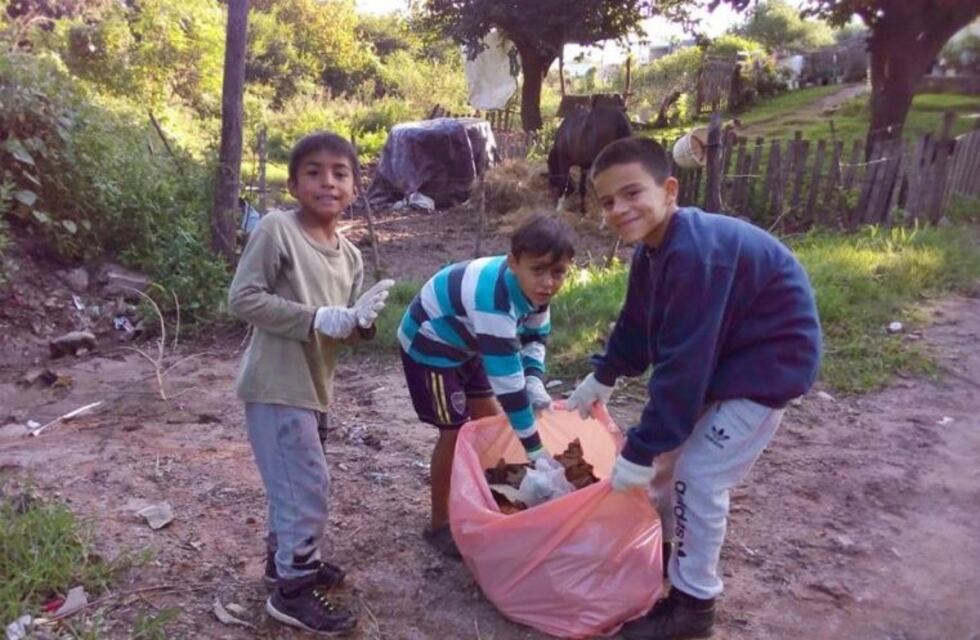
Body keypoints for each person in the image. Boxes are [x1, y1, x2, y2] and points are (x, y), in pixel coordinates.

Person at [565, 137, 821, 640]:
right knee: (663, 470)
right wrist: (606, 373)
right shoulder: (653, 250)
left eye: (632, 193)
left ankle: (693, 609)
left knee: (699, 478)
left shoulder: (697, 255)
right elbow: (638, 324)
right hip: (726, 358)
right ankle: (655, 561)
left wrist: (639, 446)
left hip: (766, 370)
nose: (619, 209)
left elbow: (683, 367)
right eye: (608, 200)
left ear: (670, 189)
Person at [229, 131, 394, 635]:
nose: (328, 181)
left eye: (340, 173)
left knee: (295, 481)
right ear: (294, 183)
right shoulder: (278, 229)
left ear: (355, 185)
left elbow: (338, 328)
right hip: (276, 383)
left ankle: (286, 560)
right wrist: (318, 317)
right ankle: (293, 591)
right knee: (306, 487)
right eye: (315, 172)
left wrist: (359, 323)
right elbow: (243, 299)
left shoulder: (350, 255)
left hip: (313, 388)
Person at [398, 213, 575, 557]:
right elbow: (509, 387)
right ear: (513, 263)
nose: (549, 283)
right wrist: (536, 450)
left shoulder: (536, 292)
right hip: (431, 345)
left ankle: (490, 496)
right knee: (454, 433)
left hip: (470, 341)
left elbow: (535, 337)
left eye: (558, 273)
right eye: (538, 270)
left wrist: (535, 380)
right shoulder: (494, 302)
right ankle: (438, 525)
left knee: (489, 422)